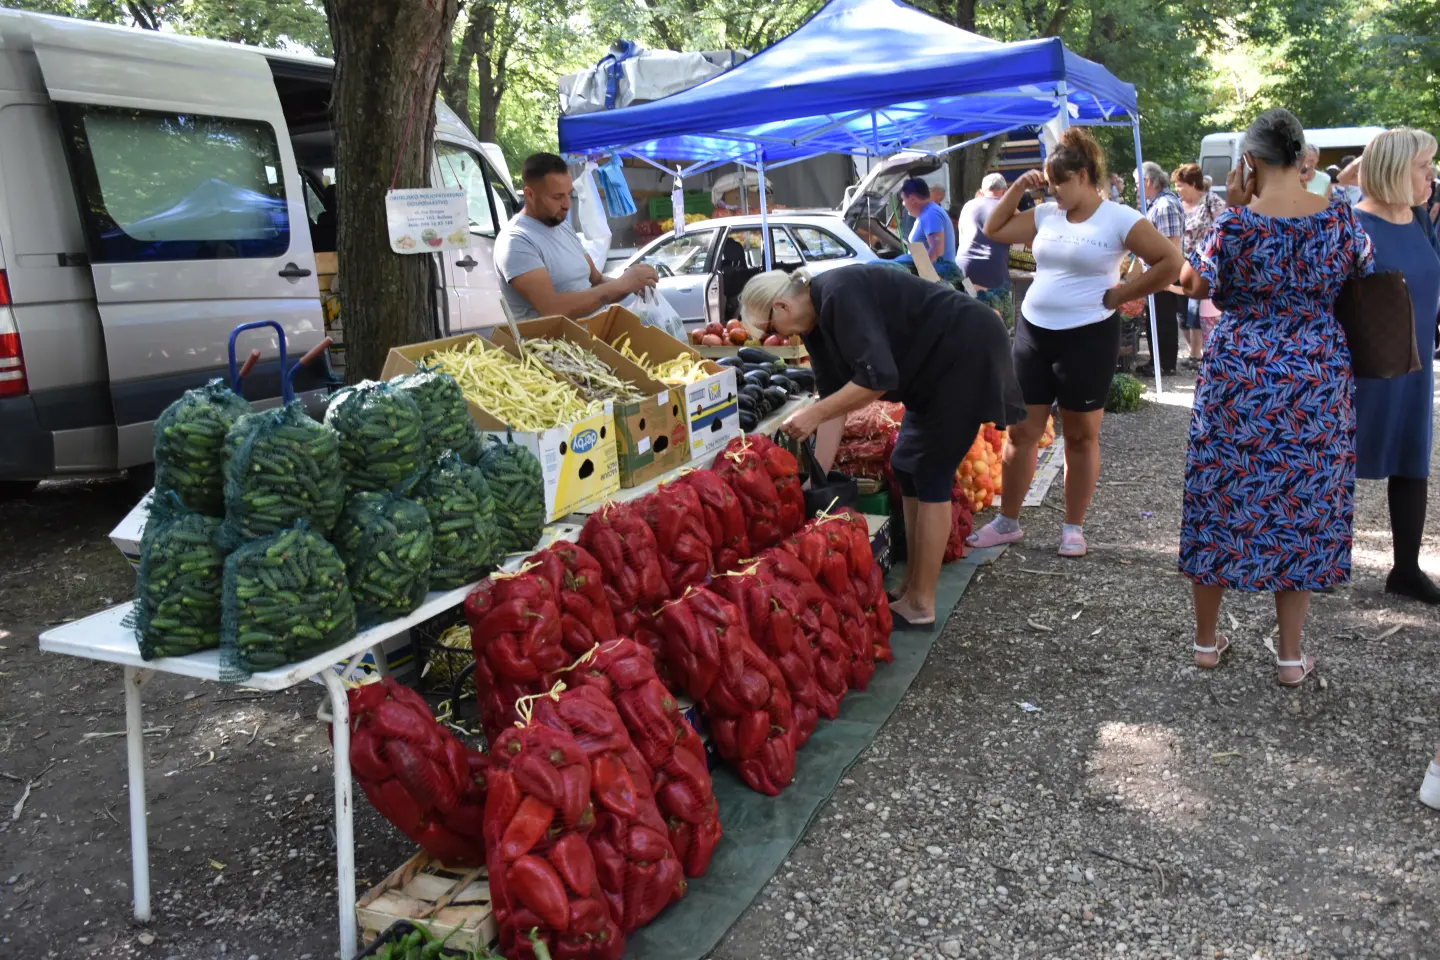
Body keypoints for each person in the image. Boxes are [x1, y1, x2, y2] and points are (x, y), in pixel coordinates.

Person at [1177, 108, 1374, 687]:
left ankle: (1206, 643)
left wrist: (1237, 207)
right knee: (1303, 503)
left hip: (1240, 373)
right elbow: (1366, 269)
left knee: (1218, 497)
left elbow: (1192, 284)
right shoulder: (1339, 219)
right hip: (1315, 375)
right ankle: (1290, 656)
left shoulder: (1234, 224)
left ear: (1249, 162)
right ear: (1301, 157)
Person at [739, 264, 1025, 627]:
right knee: (905, 464)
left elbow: (876, 380)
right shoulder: (814, 327)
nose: (774, 338)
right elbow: (834, 403)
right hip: (929, 371)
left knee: (931, 472)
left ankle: (921, 602)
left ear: (781, 306)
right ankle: (912, 584)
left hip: (965, 352)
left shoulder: (839, 294)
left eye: (769, 329)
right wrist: (817, 479)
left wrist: (812, 415)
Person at [973, 129, 1183, 558]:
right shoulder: (1047, 214)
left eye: (1059, 183)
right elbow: (994, 229)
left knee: (1081, 436)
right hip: (1034, 331)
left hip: (1088, 335)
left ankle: (1073, 527)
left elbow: (1170, 261)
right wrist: (1018, 186)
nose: (1053, 191)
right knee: (1020, 431)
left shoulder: (1119, 218)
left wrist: (1122, 294)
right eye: (1049, 183)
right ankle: (1007, 521)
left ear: (1083, 176)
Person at [1350, 127, 1440, 606]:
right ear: (1395, 170)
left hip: (1416, 364)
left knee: (1412, 459)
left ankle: (1405, 569)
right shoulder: (1350, 225)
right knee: (1338, 461)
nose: (1432, 175)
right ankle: (1318, 562)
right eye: (1425, 166)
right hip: (1362, 368)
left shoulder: (1419, 218)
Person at [495, 152, 657, 321]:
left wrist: (630, 285)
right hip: (551, 339)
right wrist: (621, 284)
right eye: (557, 197)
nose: (566, 204)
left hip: (593, 334)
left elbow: (597, 280)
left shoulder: (563, 227)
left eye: (568, 194)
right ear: (529, 194)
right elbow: (552, 309)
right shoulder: (515, 241)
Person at [1172, 163, 1227, 365]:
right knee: (1182, 314)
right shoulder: (1177, 204)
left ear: (1193, 184)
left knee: (1195, 312)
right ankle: (1195, 351)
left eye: (1180, 185)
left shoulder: (1211, 201)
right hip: (1181, 264)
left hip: (1205, 266)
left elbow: (1225, 228)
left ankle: (1197, 356)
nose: (1177, 189)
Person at [1134, 161, 1185, 376]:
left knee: (1162, 319)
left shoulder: (1165, 205)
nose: (1136, 188)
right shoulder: (1161, 203)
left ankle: (1164, 364)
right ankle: (1160, 362)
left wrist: (1163, 276)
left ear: (1148, 181)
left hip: (1164, 271)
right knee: (1158, 318)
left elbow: (1172, 244)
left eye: (1137, 183)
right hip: (1160, 269)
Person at [955, 173, 1011, 296]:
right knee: (995, 304)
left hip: (965, 265)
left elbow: (962, 233)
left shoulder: (968, 205)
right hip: (992, 267)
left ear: (982, 190)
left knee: (969, 300)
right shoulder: (1007, 208)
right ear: (1004, 191)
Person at [896, 177, 960, 282]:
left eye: (903, 199)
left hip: (939, 280)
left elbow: (936, 251)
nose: (903, 203)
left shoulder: (931, 214)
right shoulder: (928, 212)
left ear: (912, 199)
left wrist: (915, 277)